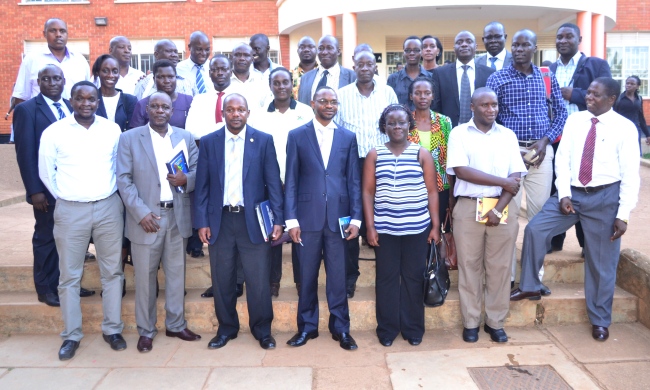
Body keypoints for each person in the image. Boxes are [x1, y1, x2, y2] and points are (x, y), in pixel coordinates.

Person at [511, 78, 640, 342]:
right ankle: (530, 286)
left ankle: (600, 319)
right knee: (535, 229)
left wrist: (623, 214)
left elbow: (630, 174)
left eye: (595, 94)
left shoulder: (625, 128)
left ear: (611, 99)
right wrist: (565, 194)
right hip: (572, 193)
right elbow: (563, 158)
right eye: (588, 92)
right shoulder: (575, 121)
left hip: (605, 198)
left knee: (602, 263)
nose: (588, 97)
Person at [38, 81, 126, 360]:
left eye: (91, 99)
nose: (86, 103)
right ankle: (72, 335)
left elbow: (119, 166)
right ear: (71, 100)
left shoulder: (112, 130)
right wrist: (68, 197)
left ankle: (112, 329)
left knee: (112, 272)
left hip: (109, 208)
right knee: (69, 276)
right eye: (80, 98)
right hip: (70, 211)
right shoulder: (55, 132)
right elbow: (46, 173)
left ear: (98, 101)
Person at [194, 94, 284, 350]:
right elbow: (202, 186)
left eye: (240, 110)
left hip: (252, 221)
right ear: (223, 113)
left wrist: (277, 220)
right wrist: (202, 221)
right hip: (220, 219)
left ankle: (262, 330)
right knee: (222, 279)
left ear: (248, 112)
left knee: (258, 279)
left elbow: (274, 183)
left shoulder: (263, 141)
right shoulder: (210, 142)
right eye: (230, 110)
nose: (235, 114)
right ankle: (227, 328)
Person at [117, 91, 201, 353]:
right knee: (144, 278)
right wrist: (141, 213)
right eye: (155, 106)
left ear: (172, 109)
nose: (160, 111)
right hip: (146, 219)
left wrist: (188, 180)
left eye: (165, 106)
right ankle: (146, 330)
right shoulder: (130, 138)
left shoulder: (185, 137)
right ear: (147, 110)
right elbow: (124, 180)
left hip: (177, 216)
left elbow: (199, 170)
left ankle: (175, 324)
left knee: (176, 275)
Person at [486, 29, 568, 294]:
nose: (520, 49)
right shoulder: (497, 78)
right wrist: (509, 148)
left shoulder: (547, 77)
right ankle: (506, 278)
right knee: (506, 217)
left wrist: (546, 141)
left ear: (534, 47)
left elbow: (561, 114)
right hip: (510, 156)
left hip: (541, 155)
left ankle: (534, 278)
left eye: (526, 45)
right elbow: (488, 119)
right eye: (516, 45)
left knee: (539, 219)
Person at [447, 87, 527, 343]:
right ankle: (471, 322)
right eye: (484, 105)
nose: (491, 110)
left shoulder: (508, 135)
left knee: (500, 267)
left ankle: (495, 322)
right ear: (472, 107)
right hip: (469, 206)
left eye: (494, 105)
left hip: (502, 207)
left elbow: (515, 179)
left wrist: (497, 207)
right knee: (469, 266)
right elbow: (462, 171)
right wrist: (502, 181)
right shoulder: (459, 133)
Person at [285, 86, 362, 351]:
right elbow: (291, 181)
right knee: (306, 277)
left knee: (338, 278)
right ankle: (307, 328)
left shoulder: (348, 137)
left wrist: (357, 219)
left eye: (333, 102)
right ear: (312, 103)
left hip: (339, 220)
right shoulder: (297, 136)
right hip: (306, 220)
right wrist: (291, 221)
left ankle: (341, 329)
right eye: (324, 101)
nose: (329, 105)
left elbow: (354, 180)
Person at [362, 104, 440, 347]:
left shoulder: (421, 153)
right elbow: (367, 192)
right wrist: (370, 227)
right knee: (386, 278)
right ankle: (387, 328)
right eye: (392, 123)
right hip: (385, 229)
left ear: (410, 125)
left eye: (402, 122)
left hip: (417, 228)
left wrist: (435, 226)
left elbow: (432, 191)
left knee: (413, 278)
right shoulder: (375, 154)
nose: (397, 126)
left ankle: (413, 328)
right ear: (384, 127)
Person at [335, 50, 398, 298]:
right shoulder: (342, 95)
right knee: (351, 217)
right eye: (359, 64)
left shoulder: (387, 92)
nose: (364, 68)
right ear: (353, 66)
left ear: (375, 67)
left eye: (369, 64)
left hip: (382, 160)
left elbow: (395, 125)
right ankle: (350, 277)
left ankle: (386, 273)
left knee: (381, 213)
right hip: (350, 162)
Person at [248, 67, 314, 298]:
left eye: (285, 82)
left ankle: (301, 280)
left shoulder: (306, 112)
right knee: (272, 232)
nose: (281, 87)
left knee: (299, 232)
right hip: (268, 183)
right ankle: (272, 281)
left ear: (292, 84)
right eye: (276, 83)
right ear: (270, 86)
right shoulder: (257, 115)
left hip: (300, 181)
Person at [548, 22, 613, 254]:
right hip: (556, 139)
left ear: (579, 39)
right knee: (557, 188)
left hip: (588, 140)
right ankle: (555, 241)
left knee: (586, 189)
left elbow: (607, 94)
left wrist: (574, 94)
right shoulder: (549, 68)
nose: (563, 41)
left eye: (568, 37)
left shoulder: (595, 64)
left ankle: (588, 244)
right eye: (559, 37)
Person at [14, 65, 73, 307]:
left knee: (71, 240)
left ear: (63, 80)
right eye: (46, 79)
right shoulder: (26, 110)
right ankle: (45, 287)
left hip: (72, 187)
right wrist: (34, 191)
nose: (51, 83)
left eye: (56, 78)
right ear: (38, 81)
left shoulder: (71, 106)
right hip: (45, 191)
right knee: (46, 237)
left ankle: (68, 285)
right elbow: (25, 154)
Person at [407, 76, 454, 233]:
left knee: (437, 231)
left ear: (433, 96)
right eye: (418, 93)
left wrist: (451, 194)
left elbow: (450, 159)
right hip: (412, 188)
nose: (422, 97)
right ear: (411, 96)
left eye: (427, 93)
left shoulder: (444, 122)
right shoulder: (404, 122)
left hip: (440, 187)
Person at [12, 18, 90, 105]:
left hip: (75, 116)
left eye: (62, 31)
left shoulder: (80, 60)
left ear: (67, 34)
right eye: (53, 31)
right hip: (41, 116)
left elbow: (88, 92)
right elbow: (21, 97)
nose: (58, 35)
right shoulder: (31, 60)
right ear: (44, 34)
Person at [432, 31, 495, 127]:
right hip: (449, 130)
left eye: (469, 41)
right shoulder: (440, 73)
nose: (464, 44)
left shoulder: (489, 73)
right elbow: (435, 106)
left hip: (481, 129)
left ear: (476, 47)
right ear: (454, 49)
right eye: (459, 42)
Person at [186, 55, 242, 140]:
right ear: (209, 73)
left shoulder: (242, 98)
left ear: (231, 73)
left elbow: (246, 129)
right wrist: (229, 130)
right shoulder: (199, 100)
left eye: (224, 69)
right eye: (215, 69)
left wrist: (208, 129)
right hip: (207, 149)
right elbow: (191, 132)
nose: (219, 73)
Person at [130, 60, 193, 129]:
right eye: (161, 77)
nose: (167, 81)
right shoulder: (142, 104)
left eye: (170, 77)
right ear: (154, 79)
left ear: (176, 78)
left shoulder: (189, 101)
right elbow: (136, 135)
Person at [297, 35, 356, 105]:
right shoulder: (305, 78)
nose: (324, 52)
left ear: (338, 51)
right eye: (321, 48)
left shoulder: (352, 77)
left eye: (329, 48)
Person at [92, 54, 137, 131]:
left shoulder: (130, 100)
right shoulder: (91, 100)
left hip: (123, 143)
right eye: (105, 71)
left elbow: (133, 131)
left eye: (115, 71)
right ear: (97, 72)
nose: (111, 75)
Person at [387, 36, 432, 106]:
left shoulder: (431, 77)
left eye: (416, 50)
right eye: (407, 50)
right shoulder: (393, 79)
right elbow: (389, 104)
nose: (411, 53)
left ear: (422, 52)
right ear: (403, 53)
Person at [615, 75, 650, 155]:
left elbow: (641, 117)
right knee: (622, 153)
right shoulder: (618, 99)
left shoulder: (639, 99)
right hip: (621, 130)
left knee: (636, 154)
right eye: (627, 83)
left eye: (632, 84)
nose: (629, 85)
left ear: (637, 86)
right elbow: (613, 115)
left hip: (635, 130)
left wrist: (648, 134)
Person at [230, 43, 267, 110]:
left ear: (252, 59)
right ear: (231, 57)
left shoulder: (261, 80)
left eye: (246, 55)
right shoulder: (223, 80)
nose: (242, 58)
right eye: (238, 55)